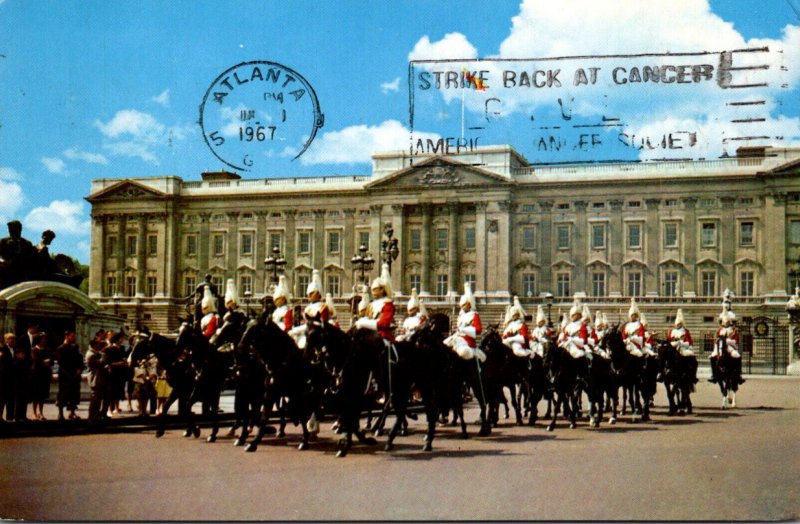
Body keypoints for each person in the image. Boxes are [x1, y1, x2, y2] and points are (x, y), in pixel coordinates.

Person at [354, 264, 396, 343]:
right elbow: (368, 318)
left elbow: (384, 324)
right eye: (372, 289)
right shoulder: (371, 305)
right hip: (370, 334)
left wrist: (364, 323)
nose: (372, 291)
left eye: (375, 289)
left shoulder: (388, 304)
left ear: (382, 290)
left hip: (383, 336)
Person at [444, 282, 484, 362]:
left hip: (468, 341)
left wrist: (464, 330)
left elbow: (478, 330)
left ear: (469, 304)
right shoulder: (461, 316)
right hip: (458, 339)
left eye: (464, 305)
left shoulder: (474, 315)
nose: (462, 308)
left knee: (463, 352)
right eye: (461, 306)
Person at [289, 269, 328, 349]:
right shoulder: (307, 308)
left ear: (318, 294)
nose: (308, 296)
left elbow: (321, 324)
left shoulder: (323, 306)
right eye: (308, 294)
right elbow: (306, 324)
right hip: (308, 331)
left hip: (317, 333)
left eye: (311, 294)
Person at [710, 307, 745, 385]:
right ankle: (714, 375)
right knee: (712, 357)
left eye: (727, 322)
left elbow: (735, 341)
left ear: (729, 322)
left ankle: (738, 374)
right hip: (720, 347)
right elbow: (715, 339)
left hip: (730, 347)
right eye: (724, 322)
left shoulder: (733, 330)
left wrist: (727, 341)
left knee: (737, 356)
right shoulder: (719, 330)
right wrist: (718, 341)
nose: (725, 324)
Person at [56, 330, 84, 420]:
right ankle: (60, 413)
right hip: (65, 375)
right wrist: (69, 373)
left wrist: (79, 369)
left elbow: (80, 359)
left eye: (74, 336)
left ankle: (72, 412)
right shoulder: (61, 348)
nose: (73, 338)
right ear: (67, 336)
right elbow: (61, 362)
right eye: (71, 336)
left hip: (75, 375)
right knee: (63, 394)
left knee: (74, 394)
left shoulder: (75, 347)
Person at [0, 220, 37, 288]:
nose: (11, 232)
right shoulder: (3, 241)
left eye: (13, 230)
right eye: (10, 230)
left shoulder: (27, 244)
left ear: (19, 230)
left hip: (21, 273)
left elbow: (32, 260)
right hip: (6, 271)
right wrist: (3, 261)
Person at [667, 308, 699, 382]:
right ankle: (663, 372)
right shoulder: (672, 331)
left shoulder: (685, 331)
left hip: (682, 348)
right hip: (673, 347)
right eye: (677, 324)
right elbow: (669, 340)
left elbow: (689, 342)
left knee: (691, 357)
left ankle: (692, 375)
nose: (678, 325)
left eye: (679, 323)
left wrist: (681, 342)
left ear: (682, 324)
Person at [85, 338, 108, 426]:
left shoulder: (95, 353)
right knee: (95, 401)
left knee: (97, 401)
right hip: (95, 379)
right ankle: (92, 419)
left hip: (99, 379)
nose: (100, 346)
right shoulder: (91, 354)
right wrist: (103, 354)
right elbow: (101, 363)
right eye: (98, 344)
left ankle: (94, 418)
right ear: (94, 345)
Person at [29, 333, 52, 420]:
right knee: (36, 395)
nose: (44, 340)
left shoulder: (47, 349)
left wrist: (49, 361)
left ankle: (41, 412)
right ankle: (34, 413)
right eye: (43, 339)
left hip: (44, 374)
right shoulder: (34, 349)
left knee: (42, 396)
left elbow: (52, 359)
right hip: (36, 374)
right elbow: (34, 360)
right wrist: (43, 362)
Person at [0, 334, 14, 421]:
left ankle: (10, 417)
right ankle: (0, 416)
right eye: (10, 339)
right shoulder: (2, 348)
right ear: (6, 340)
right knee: (2, 398)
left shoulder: (15, 349)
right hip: (3, 376)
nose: (12, 341)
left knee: (11, 398)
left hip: (12, 377)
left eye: (13, 339)